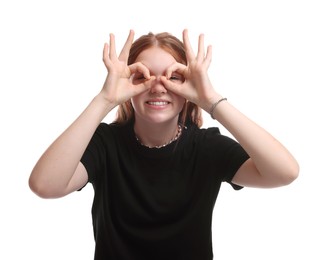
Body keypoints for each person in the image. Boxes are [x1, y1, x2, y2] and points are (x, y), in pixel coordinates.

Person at [28, 29, 299, 260]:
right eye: (143, 77)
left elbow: (284, 172)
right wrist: (105, 99)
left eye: (173, 78)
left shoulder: (207, 147)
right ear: (127, 86)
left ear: (188, 87)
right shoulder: (105, 143)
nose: (158, 87)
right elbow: (45, 186)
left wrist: (210, 99)